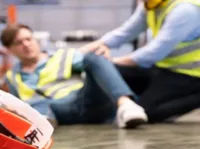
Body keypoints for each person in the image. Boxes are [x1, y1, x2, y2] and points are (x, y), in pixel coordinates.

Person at [0, 24, 147, 129]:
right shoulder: (11, 77)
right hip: (55, 113)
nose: (26, 45)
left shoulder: (63, 55)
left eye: (29, 39)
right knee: (35, 104)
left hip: (83, 100)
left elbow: (96, 64)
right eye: (19, 43)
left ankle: (126, 105)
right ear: (9, 50)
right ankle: (43, 127)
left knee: (94, 55)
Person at [81, 0, 200, 123]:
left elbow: (154, 52)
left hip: (190, 76)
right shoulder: (151, 4)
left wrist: (108, 62)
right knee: (111, 74)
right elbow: (126, 32)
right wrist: (93, 47)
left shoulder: (185, 10)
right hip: (161, 69)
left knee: (145, 113)